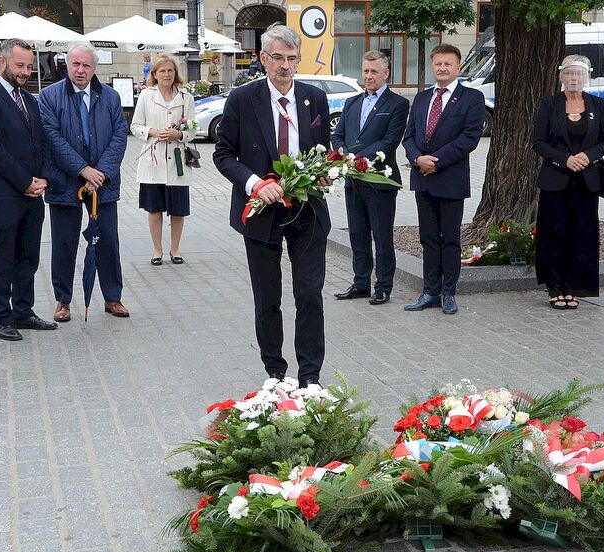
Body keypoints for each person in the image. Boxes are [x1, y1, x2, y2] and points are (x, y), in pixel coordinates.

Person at [213, 24, 331, 386]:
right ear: (263, 59)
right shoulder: (242, 99)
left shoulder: (315, 97)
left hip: (306, 211)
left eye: (291, 59)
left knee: (309, 294)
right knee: (268, 297)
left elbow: (322, 150)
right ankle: (276, 372)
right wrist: (255, 183)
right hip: (261, 213)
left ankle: (310, 376)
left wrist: (325, 173)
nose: (285, 66)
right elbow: (223, 154)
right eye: (277, 58)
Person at [0, 38, 57, 341]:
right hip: (2, 192)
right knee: (3, 255)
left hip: (32, 192)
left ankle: (24, 311)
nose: (26, 72)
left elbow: (40, 142)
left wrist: (41, 179)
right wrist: (25, 181)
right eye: (20, 65)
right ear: (1, 61)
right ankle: (2, 317)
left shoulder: (29, 99)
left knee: (28, 254)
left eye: (30, 66)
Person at [39, 43, 129, 323]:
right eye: (75, 64)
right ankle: (63, 301)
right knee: (63, 243)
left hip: (102, 183)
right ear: (67, 64)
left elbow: (119, 136)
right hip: (64, 181)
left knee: (107, 241)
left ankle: (112, 296)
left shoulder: (111, 97)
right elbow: (51, 138)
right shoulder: (49, 96)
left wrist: (99, 172)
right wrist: (82, 169)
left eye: (86, 65)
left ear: (94, 67)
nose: (80, 70)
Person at [402, 44, 485, 315]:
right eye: (438, 63)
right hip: (423, 179)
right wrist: (417, 159)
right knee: (428, 238)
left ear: (458, 67)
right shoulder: (423, 98)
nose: (442, 68)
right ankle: (430, 292)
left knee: (450, 239)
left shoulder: (471, 98)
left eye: (448, 64)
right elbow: (409, 136)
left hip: (449, 178)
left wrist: (434, 162)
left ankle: (449, 292)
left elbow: (469, 138)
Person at [532, 55, 604, 309]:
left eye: (579, 74)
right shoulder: (549, 104)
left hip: (586, 181)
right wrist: (564, 159)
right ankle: (555, 286)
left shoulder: (598, 105)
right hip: (556, 179)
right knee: (554, 233)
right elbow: (539, 142)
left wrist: (587, 157)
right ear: (561, 77)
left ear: (587, 77)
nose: (574, 79)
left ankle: (574, 286)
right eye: (569, 74)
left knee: (582, 234)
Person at [331, 50, 409, 306]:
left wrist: (355, 158)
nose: (368, 76)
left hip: (380, 182)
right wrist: (343, 154)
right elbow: (338, 135)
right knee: (358, 234)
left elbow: (389, 141)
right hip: (353, 181)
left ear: (386, 73)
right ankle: (360, 283)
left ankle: (383, 286)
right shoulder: (352, 102)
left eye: (374, 71)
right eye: (365, 70)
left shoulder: (397, 104)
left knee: (382, 236)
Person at [131, 53, 197, 266]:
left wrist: (179, 134)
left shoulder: (186, 97)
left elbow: (193, 129)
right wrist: (153, 131)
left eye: (170, 70)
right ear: (155, 74)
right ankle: (157, 250)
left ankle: (175, 249)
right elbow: (135, 126)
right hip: (154, 160)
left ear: (175, 73)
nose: (166, 74)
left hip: (177, 161)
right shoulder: (146, 96)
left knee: (178, 209)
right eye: (162, 71)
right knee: (155, 208)